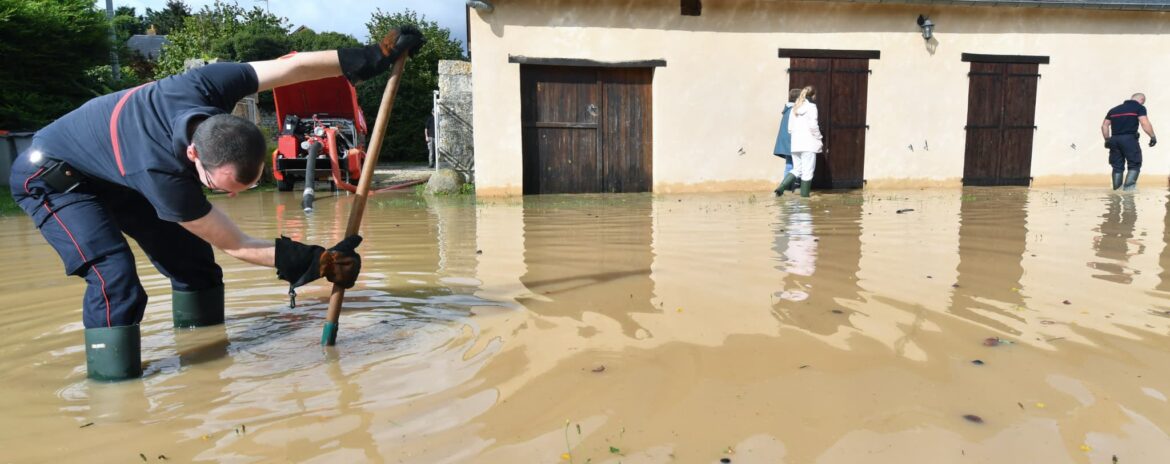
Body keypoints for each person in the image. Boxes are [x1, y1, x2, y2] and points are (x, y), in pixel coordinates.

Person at [9, 26, 427, 381]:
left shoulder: (206, 85)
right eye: (220, 187)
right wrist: (318, 262)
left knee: (195, 264)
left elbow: (290, 67)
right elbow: (237, 243)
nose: (228, 197)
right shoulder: (161, 176)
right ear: (194, 156)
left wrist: (374, 55)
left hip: (114, 171)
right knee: (114, 277)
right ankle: (113, 386)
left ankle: (203, 357)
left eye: (242, 189)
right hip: (54, 179)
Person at [1102, 93, 1157, 191]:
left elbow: (1104, 126)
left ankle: (1117, 191)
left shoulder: (1114, 109)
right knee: (1134, 164)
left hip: (1114, 140)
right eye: (1143, 102)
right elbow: (1144, 123)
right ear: (1141, 100)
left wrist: (1107, 140)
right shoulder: (1139, 108)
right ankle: (1128, 191)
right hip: (1129, 139)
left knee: (1117, 166)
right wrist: (1152, 136)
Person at [776, 86, 824, 198]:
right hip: (808, 144)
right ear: (813, 95)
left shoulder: (795, 108)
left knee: (796, 169)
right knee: (808, 171)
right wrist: (819, 137)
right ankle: (805, 198)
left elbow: (790, 129)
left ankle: (781, 188)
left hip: (796, 145)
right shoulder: (812, 107)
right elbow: (813, 126)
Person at [772, 88, 802, 195]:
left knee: (789, 164)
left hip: (787, 142)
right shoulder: (794, 110)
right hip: (792, 142)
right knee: (798, 165)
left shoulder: (787, 109)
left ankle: (786, 187)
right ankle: (793, 187)